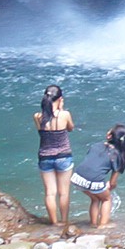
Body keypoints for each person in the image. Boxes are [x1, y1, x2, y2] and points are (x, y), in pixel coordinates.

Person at [33, 85, 76, 234]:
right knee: (63, 193)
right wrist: (61, 108)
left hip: (45, 157)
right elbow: (71, 128)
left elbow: (41, 132)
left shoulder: (38, 116)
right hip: (64, 156)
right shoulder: (64, 115)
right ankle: (64, 221)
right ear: (60, 99)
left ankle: (54, 222)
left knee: (50, 193)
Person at [69, 123, 125, 229]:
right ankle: (102, 225)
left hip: (77, 177)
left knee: (95, 199)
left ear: (109, 136)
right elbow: (113, 182)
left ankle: (93, 224)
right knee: (106, 199)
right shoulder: (116, 155)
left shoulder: (96, 145)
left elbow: (91, 163)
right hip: (93, 181)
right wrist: (110, 186)